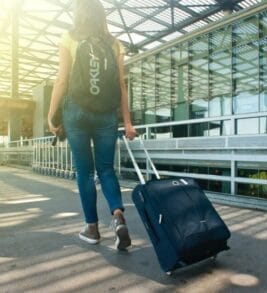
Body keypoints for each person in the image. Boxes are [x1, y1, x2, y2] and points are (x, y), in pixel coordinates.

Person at [47, 0, 136, 250]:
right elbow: (121, 85)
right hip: (106, 115)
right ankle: (118, 217)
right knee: (106, 170)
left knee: (84, 172)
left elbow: (61, 80)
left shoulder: (69, 37)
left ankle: (92, 228)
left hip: (76, 113)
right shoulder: (115, 44)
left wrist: (51, 114)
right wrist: (127, 123)